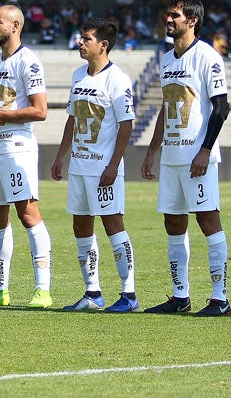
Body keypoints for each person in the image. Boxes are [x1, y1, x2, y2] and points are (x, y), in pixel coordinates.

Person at [140, 0, 231, 316]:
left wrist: (205, 150)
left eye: (175, 15)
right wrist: (152, 151)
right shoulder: (166, 60)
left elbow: (221, 109)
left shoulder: (208, 57)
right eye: (168, 14)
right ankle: (181, 297)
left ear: (192, 21)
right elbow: (167, 110)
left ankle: (220, 299)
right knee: (173, 222)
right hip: (172, 157)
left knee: (208, 220)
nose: (169, 19)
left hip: (198, 156)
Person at [0, 5, 53, 309]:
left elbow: (40, 110)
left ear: (15, 26)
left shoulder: (29, 61)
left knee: (27, 213)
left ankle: (43, 290)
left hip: (17, 147)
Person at [51, 18, 138, 312]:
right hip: (79, 165)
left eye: (86, 38)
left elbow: (126, 126)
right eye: (80, 37)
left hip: (103, 168)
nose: (80, 42)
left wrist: (114, 165)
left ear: (103, 45)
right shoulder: (78, 75)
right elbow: (73, 119)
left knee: (113, 225)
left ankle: (129, 294)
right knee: (80, 225)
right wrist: (61, 155)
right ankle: (92, 292)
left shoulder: (118, 79)